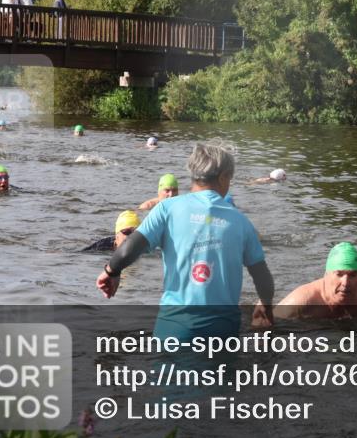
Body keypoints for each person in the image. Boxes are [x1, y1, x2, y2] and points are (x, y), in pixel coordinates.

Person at [96, 143, 276, 337]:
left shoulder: (167, 209)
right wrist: (265, 305)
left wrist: (111, 271)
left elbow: (129, 249)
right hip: (222, 331)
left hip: (174, 329)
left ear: (193, 175)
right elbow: (263, 278)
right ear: (224, 177)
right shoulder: (241, 222)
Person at [275, 242, 357, 320]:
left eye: (353, 275)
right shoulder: (303, 300)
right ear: (326, 275)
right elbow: (267, 322)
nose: (346, 282)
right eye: (339, 274)